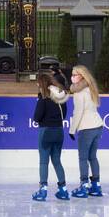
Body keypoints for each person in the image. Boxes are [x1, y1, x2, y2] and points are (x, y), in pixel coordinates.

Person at [31, 70, 70, 201]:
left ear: (41, 84)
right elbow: (64, 115)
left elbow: (36, 117)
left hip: (46, 132)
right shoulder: (60, 98)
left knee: (44, 161)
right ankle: (63, 189)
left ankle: (43, 190)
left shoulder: (44, 98)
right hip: (59, 131)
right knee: (57, 161)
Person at [68, 65, 104, 198]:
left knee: (83, 158)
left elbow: (78, 112)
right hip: (98, 125)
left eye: (75, 74)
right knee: (92, 156)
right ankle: (96, 185)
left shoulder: (79, 93)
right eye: (72, 74)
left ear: (82, 76)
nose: (72, 77)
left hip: (86, 127)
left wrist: (72, 130)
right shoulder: (91, 88)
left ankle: (84, 185)